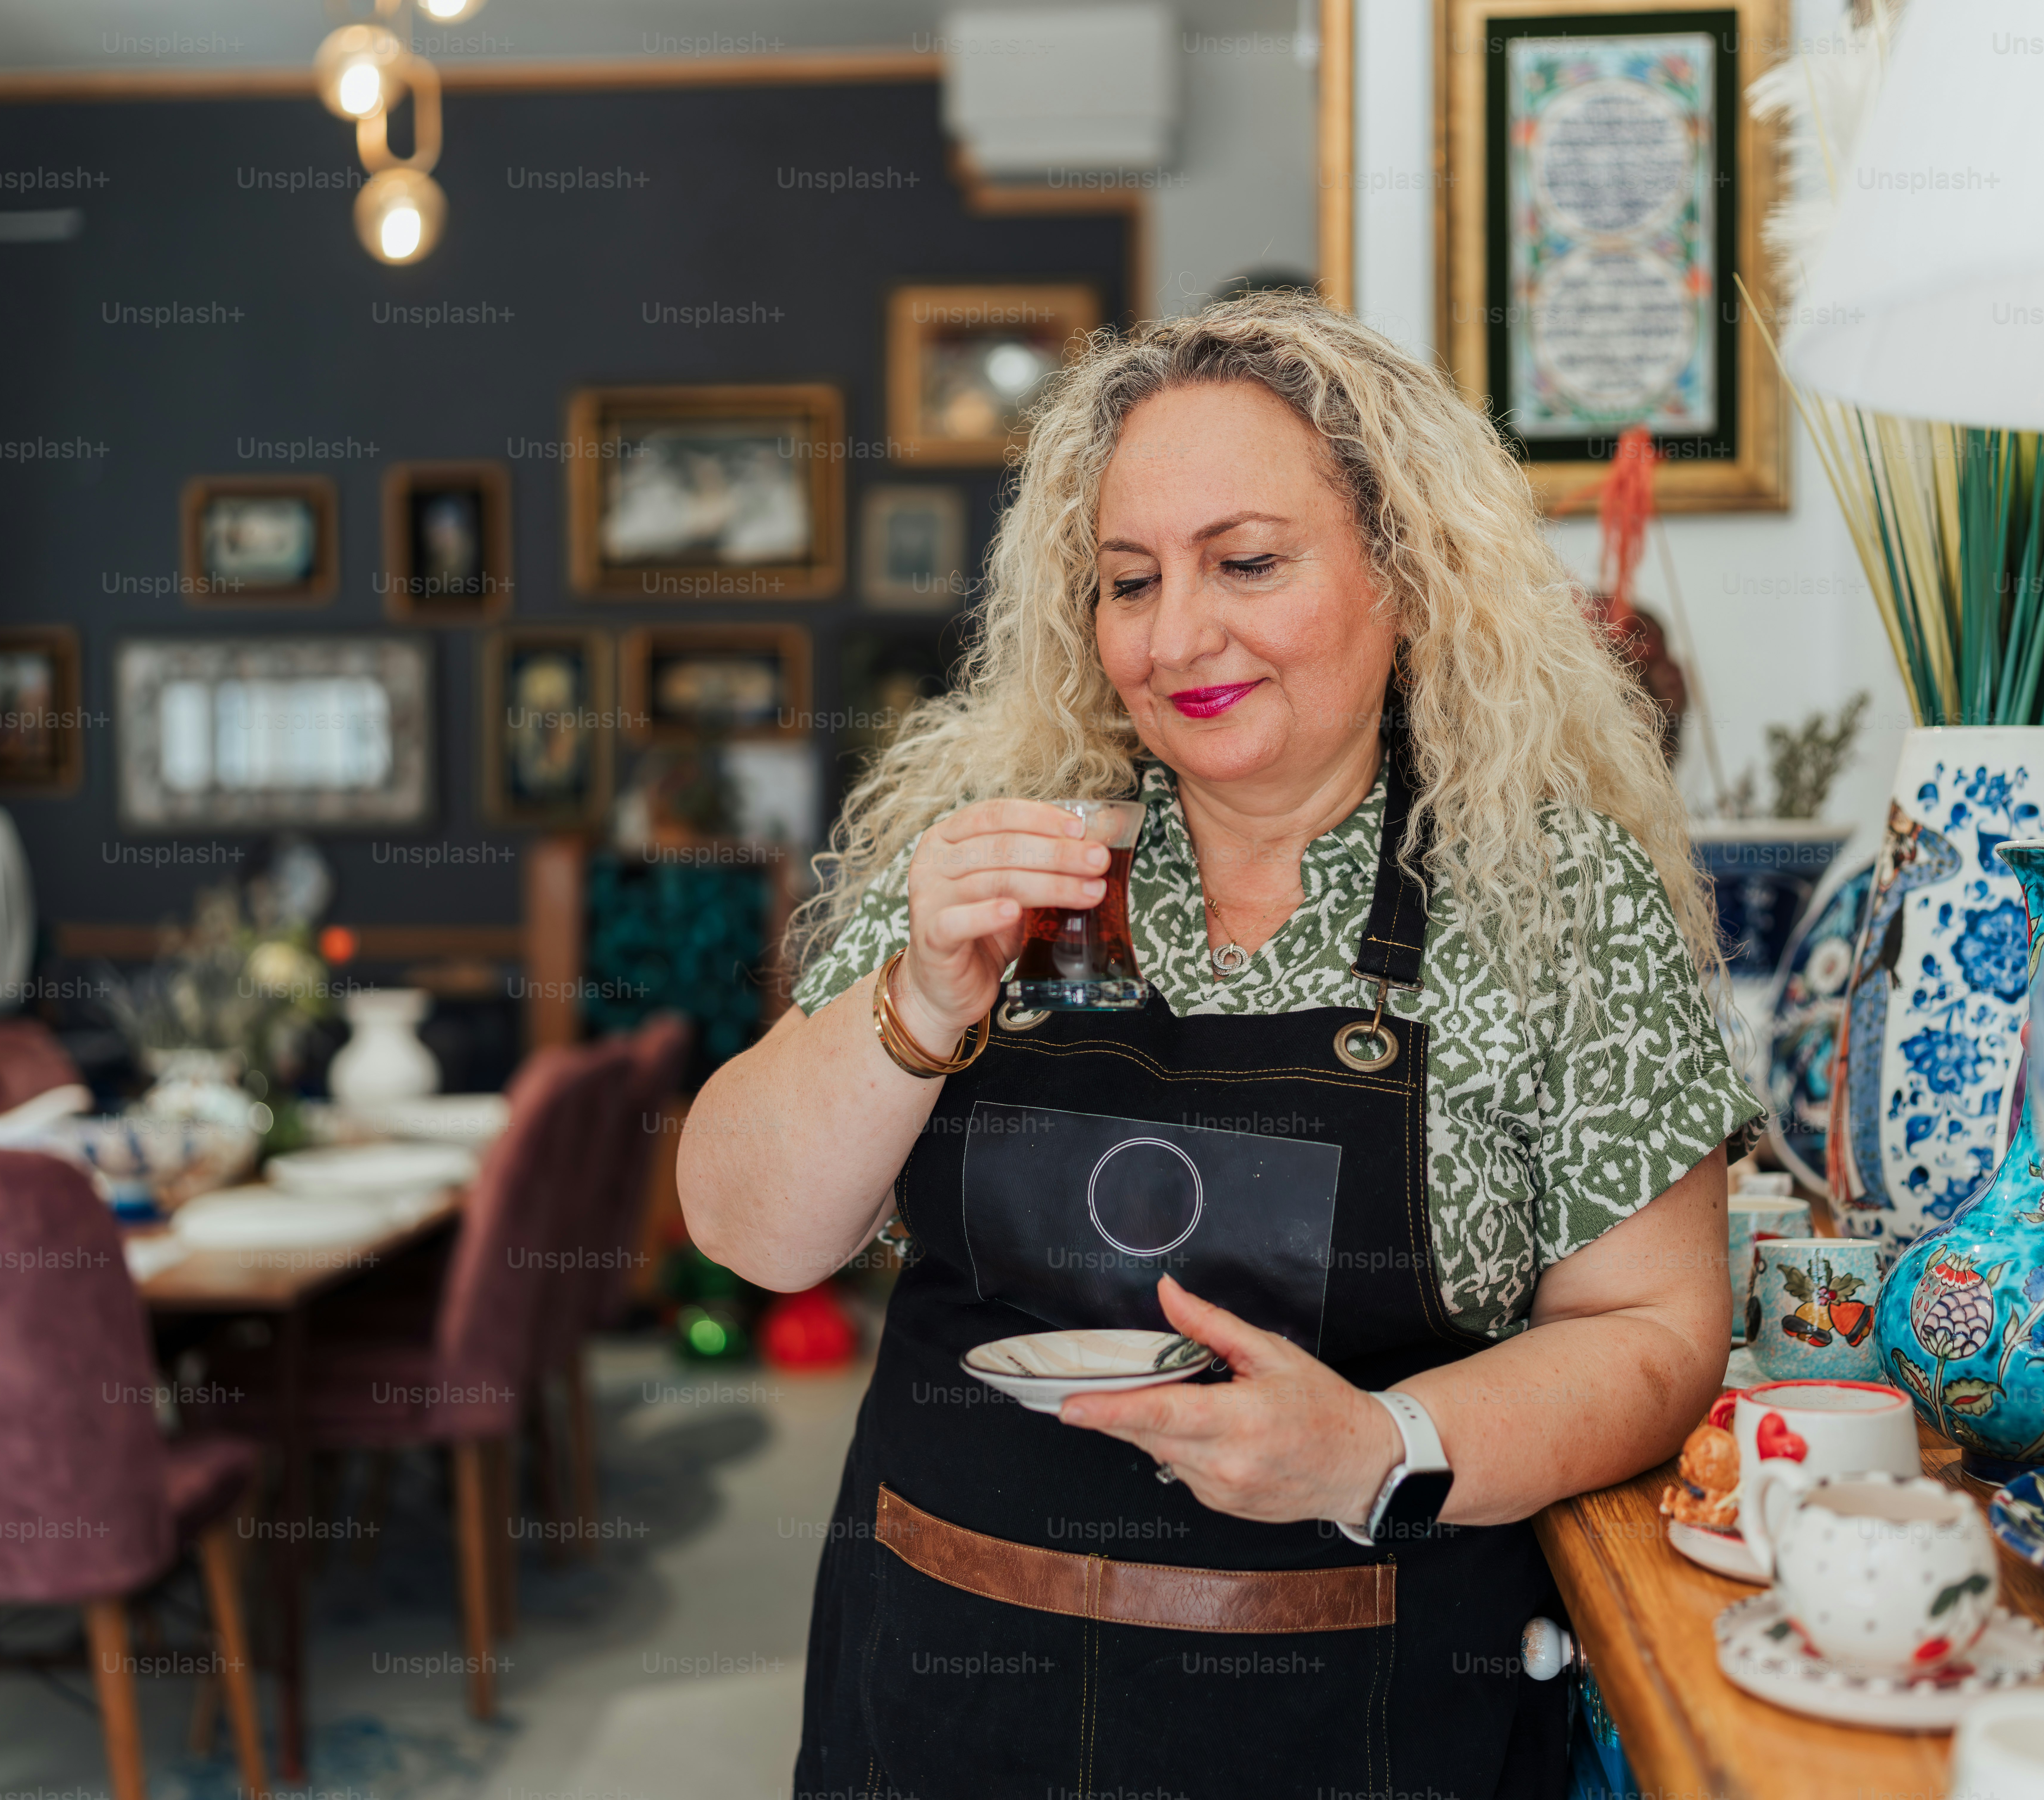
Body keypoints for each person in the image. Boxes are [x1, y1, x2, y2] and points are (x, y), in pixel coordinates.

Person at [681, 293, 1762, 1799]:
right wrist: (920, 1002)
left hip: (1357, 1723)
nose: (1175, 635)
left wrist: (1376, 1444)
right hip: (936, 1695)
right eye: (1130, 581)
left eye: (1245, 563)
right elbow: (749, 1232)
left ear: (1408, 575)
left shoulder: (1552, 896)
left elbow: (1653, 1331)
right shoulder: (1010, 858)